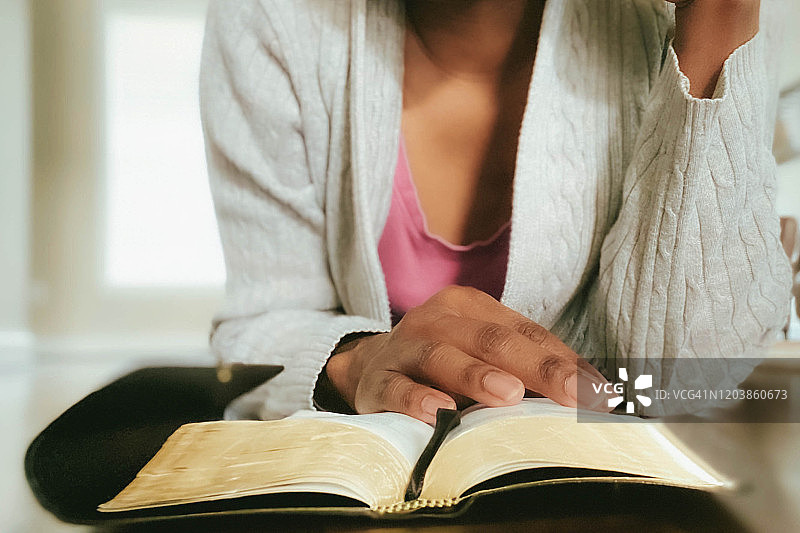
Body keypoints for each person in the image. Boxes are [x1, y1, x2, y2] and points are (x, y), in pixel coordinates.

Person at [199, 0, 792, 423]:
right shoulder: (271, 18)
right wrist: (353, 361)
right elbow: (257, 332)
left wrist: (720, 14)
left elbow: (683, 383)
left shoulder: (687, 23)